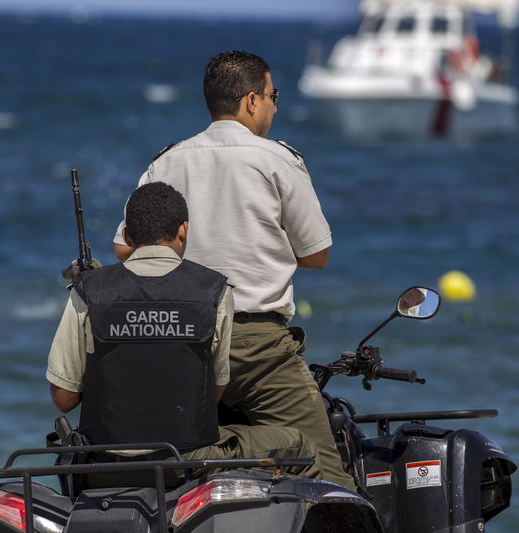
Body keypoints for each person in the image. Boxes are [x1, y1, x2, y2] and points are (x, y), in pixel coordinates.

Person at [111, 51, 354, 489]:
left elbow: (123, 247)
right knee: (328, 478)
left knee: (183, 464)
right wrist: (263, 251)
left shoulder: (167, 162)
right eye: (273, 95)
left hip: (181, 341)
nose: (276, 106)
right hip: (257, 350)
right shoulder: (278, 160)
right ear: (251, 101)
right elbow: (317, 254)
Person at [47, 182, 321, 485]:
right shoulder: (214, 290)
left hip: (102, 465)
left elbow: (64, 398)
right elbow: (214, 391)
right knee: (300, 446)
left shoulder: (89, 290)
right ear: (184, 229)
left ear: (126, 235)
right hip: (186, 463)